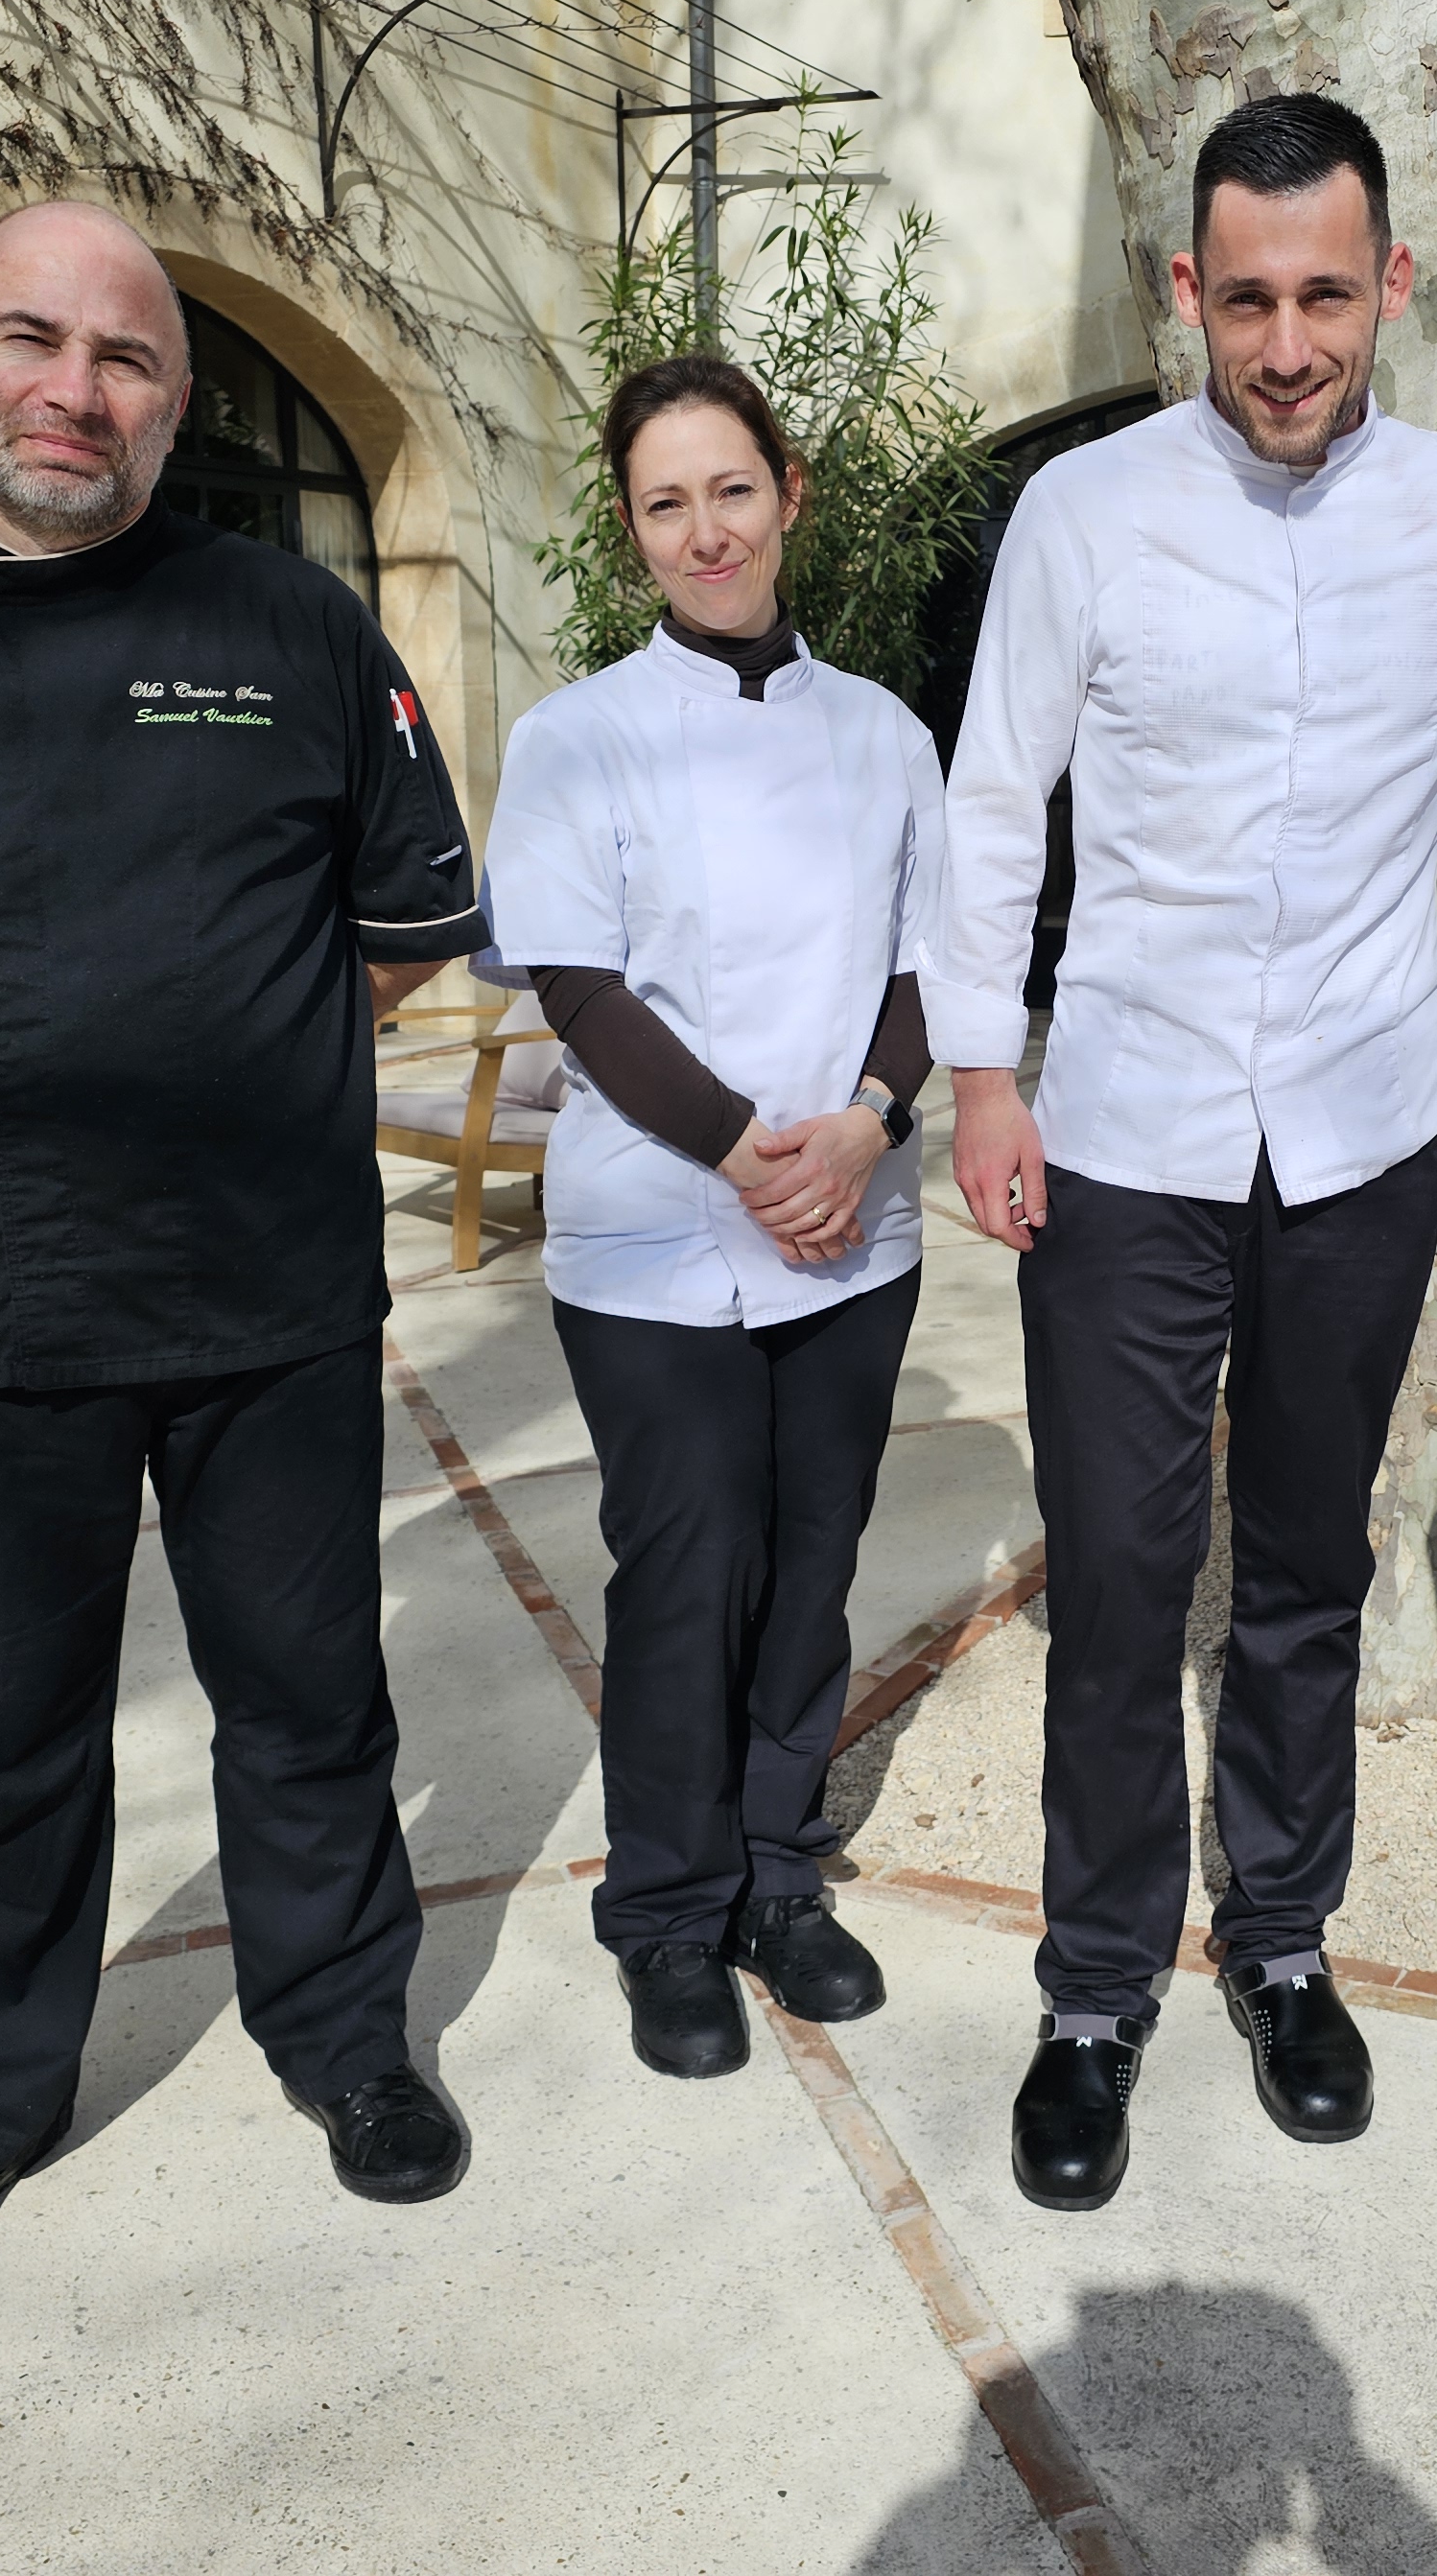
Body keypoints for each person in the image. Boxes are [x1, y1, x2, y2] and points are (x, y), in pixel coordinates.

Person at [0, 200, 485, 2303]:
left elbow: (404, 929)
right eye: (32, 342)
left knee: (309, 1705)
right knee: (5, 1735)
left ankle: (346, 2041)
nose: (77, 391)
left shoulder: (300, 626)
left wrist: (235, 1060)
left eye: (126, 357)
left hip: (273, 1294)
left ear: (179, 399)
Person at [933, 94, 1437, 2212]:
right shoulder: (1081, 511)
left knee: (1309, 1568)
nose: (1286, 341)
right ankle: (1091, 1993)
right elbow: (993, 798)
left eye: (1325, 294)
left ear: (1390, 284)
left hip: (1357, 1132)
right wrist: (981, 1080)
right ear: (1187, 290)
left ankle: (1278, 1940)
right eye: (1244, 299)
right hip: (1126, 1134)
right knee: (1118, 1579)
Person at [477, 355, 942, 2079]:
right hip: (661, 1235)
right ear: (633, 530)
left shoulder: (884, 733)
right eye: (665, 504)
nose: (706, 531)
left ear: (786, 492)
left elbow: (929, 964)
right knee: (689, 1576)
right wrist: (755, 1150)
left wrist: (866, 1127)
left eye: (731, 489)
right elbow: (580, 989)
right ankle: (667, 1916)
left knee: (813, 1568)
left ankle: (776, 1877)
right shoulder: (577, 736)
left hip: (855, 1222)